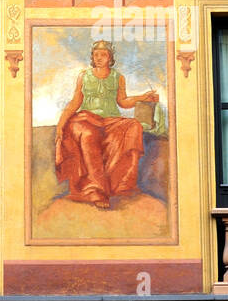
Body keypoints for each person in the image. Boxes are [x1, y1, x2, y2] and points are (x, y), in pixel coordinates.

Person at [54, 40, 159, 209]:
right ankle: (96, 189)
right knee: (89, 135)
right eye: (96, 54)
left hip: (109, 121)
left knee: (134, 126)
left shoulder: (118, 77)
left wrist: (142, 97)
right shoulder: (84, 76)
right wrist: (61, 124)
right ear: (92, 57)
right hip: (85, 119)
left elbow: (123, 102)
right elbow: (75, 102)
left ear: (110, 58)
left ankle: (123, 183)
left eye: (103, 54)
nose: (99, 58)